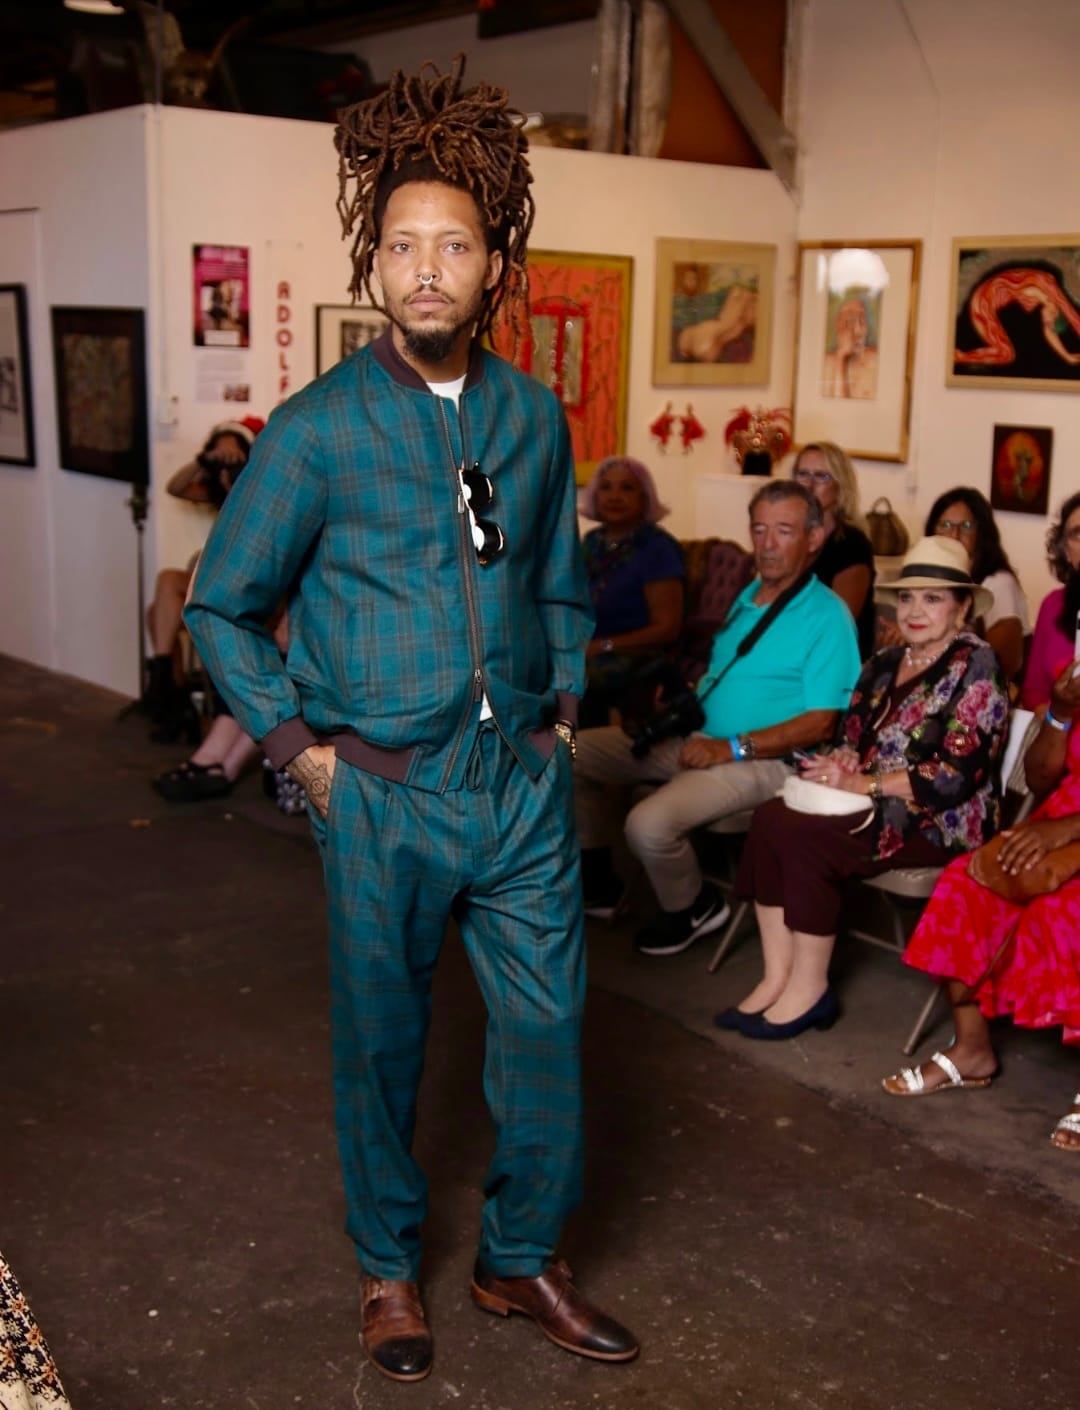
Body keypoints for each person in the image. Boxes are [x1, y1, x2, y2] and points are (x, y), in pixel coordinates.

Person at [184, 57, 637, 1383]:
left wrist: (560, 717)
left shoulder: (533, 416)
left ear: (496, 265)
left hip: (519, 787)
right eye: (402, 246)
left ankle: (519, 1256)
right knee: (383, 1046)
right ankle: (388, 1266)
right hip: (380, 787)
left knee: (547, 1033)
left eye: (454, 245)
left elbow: (556, 579)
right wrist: (298, 752)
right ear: (373, 264)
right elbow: (222, 606)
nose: (426, 268)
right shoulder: (317, 431)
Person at [720, 536, 1008, 1040]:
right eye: (907, 597)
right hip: (869, 799)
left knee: (806, 837)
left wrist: (861, 781)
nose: (915, 611)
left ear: (963, 607)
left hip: (941, 817)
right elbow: (852, 738)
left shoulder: (977, 664)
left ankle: (810, 989)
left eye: (933, 598)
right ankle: (776, 977)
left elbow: (955, 775)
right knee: (770, 819)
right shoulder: (884, 661)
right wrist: (845, 759)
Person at [576, 479, 860, 956]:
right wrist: (685, 699)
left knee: (647, 824)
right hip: (695, 736)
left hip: (765, 761)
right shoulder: (748, 595)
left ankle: (693, 907)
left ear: (814, 538)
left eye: (784, 531)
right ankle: (597, 880)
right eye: (759, 529)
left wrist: (729, 747)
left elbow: (821, 723)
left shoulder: (828, 616)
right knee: (568, 750)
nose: (767, 544)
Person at [882, 658, 1080, 1152]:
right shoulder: (1075, 677)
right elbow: (1040, 780)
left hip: (1069, 830)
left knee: (1062, 912)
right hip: (1057, 824)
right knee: (964, 883)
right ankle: (971, 1049)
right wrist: (1060, 712)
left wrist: (1070, 828)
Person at [143, 416, 265, 741]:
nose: (226, 471)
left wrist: (242, 474)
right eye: (219, 462)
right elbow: (175, 487)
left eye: (233, 461)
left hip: (239, 588)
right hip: (215, 579)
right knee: (156, 613)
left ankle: (165, 686)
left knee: (169, 582)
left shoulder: (259, 496)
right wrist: (204, 461)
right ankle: (176, 699)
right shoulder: (214, 493)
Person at [578, 455, 684, 728]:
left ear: (645, 498)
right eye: (606, 487)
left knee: (573, 675)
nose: (615, 496)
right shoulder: (592, 542)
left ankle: (585, 749)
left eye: (627, 488)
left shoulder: (657, 549)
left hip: (636, 654)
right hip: (587, 646)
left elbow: (667, 628)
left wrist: (603, 645)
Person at [924, 485, 1029, 683]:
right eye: (945, 525)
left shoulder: (998, 582)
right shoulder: (927, 578)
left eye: (966, 526)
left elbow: (1001, 662)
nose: (954, 535)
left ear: (982, 532)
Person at [793, 441, 876, 658]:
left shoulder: (852, 545)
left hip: (832, 658)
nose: (809, 485)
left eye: (821, 476)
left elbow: (837, 626)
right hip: (791, 648)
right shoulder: (790, 536)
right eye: (803, 474)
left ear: (840, 487)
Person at [1021, 491, 1080, 710]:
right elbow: (1033, 691)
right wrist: (1055, 715)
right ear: (1065, 550)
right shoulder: (1053, 606)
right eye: (1078, 534)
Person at [821, 295, 879, 399]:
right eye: (849, 322)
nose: (858, 331)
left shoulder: (876, 361)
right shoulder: (824, 363)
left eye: (862, 321)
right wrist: (841, 358)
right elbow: (836, 406)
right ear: (838, 327)